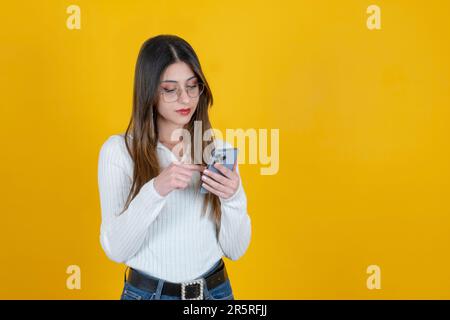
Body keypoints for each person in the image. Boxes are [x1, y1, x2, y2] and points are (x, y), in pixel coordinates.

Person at [97, 34, 251, 300]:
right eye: (170, 89)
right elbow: (116, 250)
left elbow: (235, 250)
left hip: (214, 294)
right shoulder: (119, 152)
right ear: (148, 92)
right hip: (148, 295)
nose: (185, 98)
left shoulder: (216, 150)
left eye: (193, 86)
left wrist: (233, 198)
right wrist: (156, 189)